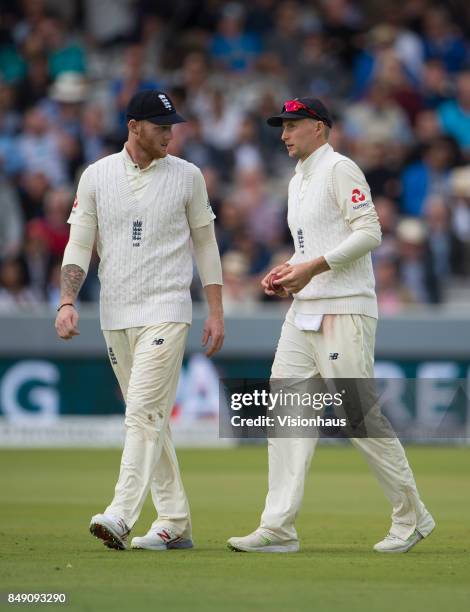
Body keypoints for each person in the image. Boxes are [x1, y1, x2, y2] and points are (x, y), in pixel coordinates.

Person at [227, 97, 435, 554]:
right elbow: (313, 247)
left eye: (293, 126)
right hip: (304, 310)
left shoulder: (340, 169)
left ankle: (413, 516)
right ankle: (278, 527)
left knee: (359, 417)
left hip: (345, 308)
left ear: (319, 128)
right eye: (281, 126)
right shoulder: (297, 179)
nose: (283, 134)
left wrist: (313, 267)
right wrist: (288, 272)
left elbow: (371, 232)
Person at [55, 90, 224, 551]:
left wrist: (215, 309)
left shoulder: (188, 177)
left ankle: (121, 514)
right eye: (160, 126)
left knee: (142, 413)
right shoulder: (96, 175)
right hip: (116, 314)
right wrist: (67, 301)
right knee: (150, 420)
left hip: (168, 310)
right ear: (134, 126)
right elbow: (79, 243)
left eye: (173, 126)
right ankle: (175, 522)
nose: (169, 134)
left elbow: (206, 245)